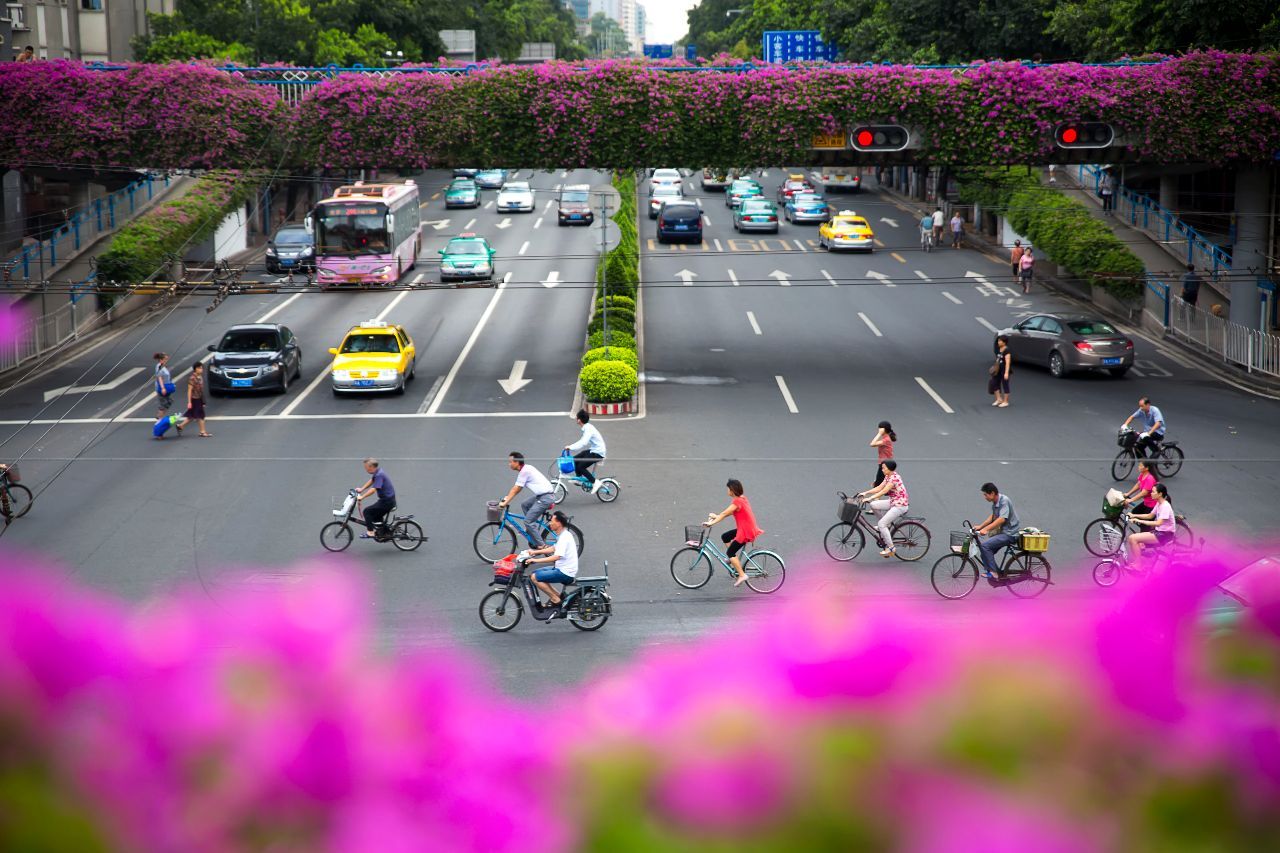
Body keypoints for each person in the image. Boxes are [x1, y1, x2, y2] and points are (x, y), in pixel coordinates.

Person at [704, 478, 763, 587]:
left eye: (728, 489)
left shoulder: (737, 502)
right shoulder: (742, 499)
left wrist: (711, 523)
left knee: (730, 553)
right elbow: (726, 513)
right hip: (747, 528)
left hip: (746, 531)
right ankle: (732, 560)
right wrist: (716, 516)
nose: (727, 491)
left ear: (732, 490)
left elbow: (725, 513)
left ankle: (742, 575)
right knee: (725, 537)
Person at [522, 510, 578, 612]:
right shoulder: (563, 535)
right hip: (561, 568)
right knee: (535, 573)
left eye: (552, 521)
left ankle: (555, 599)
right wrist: (534, 552)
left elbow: (556, 557)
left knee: (535, 578)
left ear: (559, 523)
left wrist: (535, 560)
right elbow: (553, 548)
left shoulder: (564, 537)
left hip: (565, 572)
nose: (550, 523)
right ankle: (557, 596)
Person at [498, 451, 555, 548]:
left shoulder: (525, 471)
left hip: (546, 498)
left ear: (517, 462)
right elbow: (516, 488)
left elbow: (516, 489)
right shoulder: (527, 468)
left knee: (527, 521)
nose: (509, 464)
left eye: (510, 462)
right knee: (525, 504)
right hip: (542, 496)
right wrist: (507, 497)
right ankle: (532, 530)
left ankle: (541, 545)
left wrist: (505, 502)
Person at [858, 460, 910, 558]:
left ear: (890, 469)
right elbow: (879, 488)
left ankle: (891, 548)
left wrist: (869, 498)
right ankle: (887, 525)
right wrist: (865, 493)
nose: (882, 469)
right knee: (873, 505)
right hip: (893, 501)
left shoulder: (894, 478)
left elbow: (884, 491)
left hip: (900, 505)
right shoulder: (888, 476)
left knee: (881, 524)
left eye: (884, 468)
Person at [975, 482, 1021, 579]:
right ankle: (995, 574)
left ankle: (994, 573)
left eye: (985, 494)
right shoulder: (995, 503)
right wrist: (980, 526)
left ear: (992, 493)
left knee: (985, 546)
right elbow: (994, 517)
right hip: (1004, 532)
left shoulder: (1004, 501)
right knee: (985, 551)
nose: (985, 497)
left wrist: (986, 529)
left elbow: (1002, 519)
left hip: (1010, 533)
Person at [1126, 483, 1176, 565]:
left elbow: (1158, 523)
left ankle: (1138, 565)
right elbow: (1150, 515)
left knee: (1133, 538)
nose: (1151, 494)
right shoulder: (1159, 503)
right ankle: (1143, 564)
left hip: (1164, 535)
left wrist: (1139, 521)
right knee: (1137, 542)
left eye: (1153, 492)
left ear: (1160, 494)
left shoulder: (1165, 506)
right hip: (1159, 532)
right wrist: (1133, 515)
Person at [564, 409, 606, 493]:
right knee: (575, 459)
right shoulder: (587, 427)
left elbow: (583, 442)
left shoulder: (588, 429)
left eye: (577, 418)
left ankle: (595, 482)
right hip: (594, 450)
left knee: (581, 467)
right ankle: (579, 479)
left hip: (598, 453)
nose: (576, 419)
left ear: (579, 420)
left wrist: (570, 447)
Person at [356, 457, 395, 539]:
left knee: (367, 511)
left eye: (366, 467)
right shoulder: (378, 472)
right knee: (375, 516)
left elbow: (373, 490)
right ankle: (384, 532)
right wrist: (361, 489)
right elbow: (372, 480)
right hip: (388, 500)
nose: (365, 469)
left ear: (371, 467)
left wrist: (362, 497)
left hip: (387, 502)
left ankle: (370, 532)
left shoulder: (379, 475)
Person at [184, 361, 211, 437]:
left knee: (192, 416)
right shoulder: (192, 378)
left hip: (199, 398)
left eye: (202, 368)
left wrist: (203, 401)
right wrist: (189, 402)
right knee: (201, 415)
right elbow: (189, 390)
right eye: (200, 368)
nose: (201, 370)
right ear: (196, 369)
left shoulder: (200, 377)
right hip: (194, 399)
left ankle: (180, 426)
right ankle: (202, 432)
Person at [153, 352, 178, 426]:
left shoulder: (163, 366)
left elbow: (166, 377)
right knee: (163, 404)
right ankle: (159, 419)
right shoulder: (159, 366)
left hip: (167, 387)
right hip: (162, 388)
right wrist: (163, 388)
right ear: (161, 360)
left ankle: (160, 417)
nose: (166, 360)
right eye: (165, 359)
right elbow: (159, 377)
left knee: (169, 402)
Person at [869, 420, 895, 487]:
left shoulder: (886, 440)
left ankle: (876, 497)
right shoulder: (886, 438)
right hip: (885, 463)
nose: (879, 429)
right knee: (879, 482)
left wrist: (879, 434)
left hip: (885, 464)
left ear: (883, 429)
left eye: (880, 428)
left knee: (879, 484)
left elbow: (872, 444)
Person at [989, 335, 1012, 408]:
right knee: (994, 383)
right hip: (998, 370)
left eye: (1000, 341)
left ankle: (1006, 401)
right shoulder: (999, 349)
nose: (998, 342)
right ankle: (998, 399)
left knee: (1005, 385)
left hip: (1004, 370)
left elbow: (1008, 363)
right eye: (998, 341)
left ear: (1004, 342)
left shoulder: (1007, 351)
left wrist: (1006, 373)